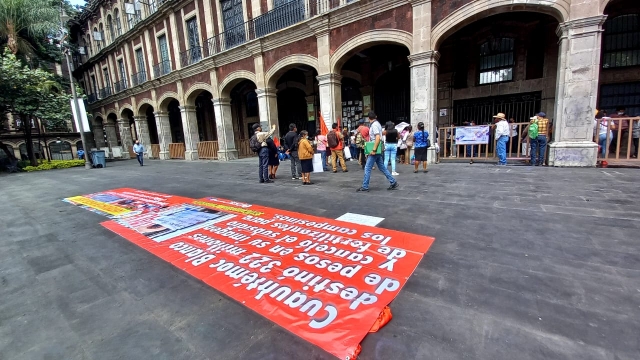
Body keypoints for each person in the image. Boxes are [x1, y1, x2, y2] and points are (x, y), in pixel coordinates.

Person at [357, 111, 398, 192]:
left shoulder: (374, 125)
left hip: (375, 148)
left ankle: (365, 186)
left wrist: (374, 149)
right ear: (375, 116)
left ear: (368, 118)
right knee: (382, 167)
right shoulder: (378, 124)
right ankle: (393, 182)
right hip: (378, 148)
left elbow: (377, 137)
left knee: (367, 167)